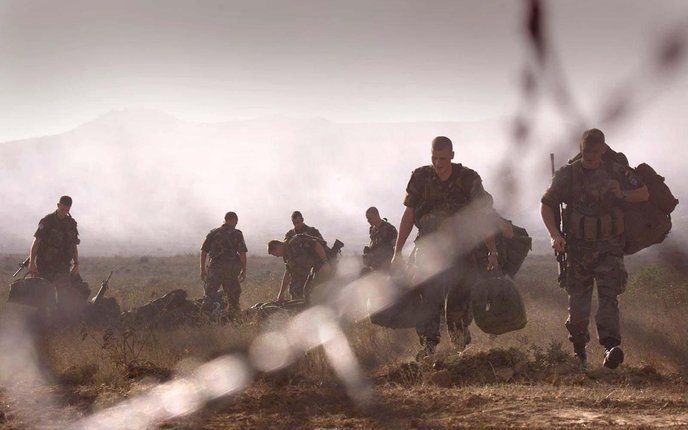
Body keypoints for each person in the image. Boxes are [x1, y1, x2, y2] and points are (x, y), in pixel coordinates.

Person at [541, 128, 649, 370]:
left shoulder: (616, 170)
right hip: (577, 249)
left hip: (609, 246)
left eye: (594, 151)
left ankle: (611, 347)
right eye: (585, 151)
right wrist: (554, 235)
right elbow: (547, 204)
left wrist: (621, 193)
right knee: (578, 304)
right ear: (581, 149)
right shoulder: (568, 174)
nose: (589, 156)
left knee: (609, 298)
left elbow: (643, 193)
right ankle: (580, 351)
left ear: (602, 149)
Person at [391, 136, 499, 360]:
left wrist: (492, 250)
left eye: (442, 158)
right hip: (428, 251)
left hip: (461, 252)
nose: (438, 163)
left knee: (458, 304)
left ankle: (461, 351)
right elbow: (409, 215)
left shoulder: (468, 179)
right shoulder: (421, 177)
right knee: (426, 298)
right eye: (434, 158)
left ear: (452, 155)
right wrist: (397, 251)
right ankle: (429, 348)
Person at [28, 195, 83, 317]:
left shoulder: (71, 224)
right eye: (62, 209)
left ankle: (59, 325)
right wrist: (32, 263)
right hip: (45, 266)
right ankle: (40, 325)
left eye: (67, 210)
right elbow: (36, 243)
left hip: (63, 267)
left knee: (64, 298)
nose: (64, 213)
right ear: (58, 206)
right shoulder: (47, 221)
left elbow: (74, 246)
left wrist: (76, 264)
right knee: (43, 297)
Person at [200, 212, 248, 315]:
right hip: (231, 270)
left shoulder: (213, 233)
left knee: (209, 296)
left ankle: (205, 320)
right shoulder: (236, 234)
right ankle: (234, 319)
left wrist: (202, 270)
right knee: (233, 298)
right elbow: (242, 253)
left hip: (214, 269)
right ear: (234, 220)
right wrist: (244, 270)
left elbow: (204, 252)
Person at [268, 234, 332, 302]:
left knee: (311, 290)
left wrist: (326, 263)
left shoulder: (295, 242)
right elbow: (288, 273)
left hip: (323, 264)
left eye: (276, 253)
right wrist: (281, 293)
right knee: (295, 289)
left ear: (278, 246)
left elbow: (317, 245)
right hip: (312, 269)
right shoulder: (286, 255)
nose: (277, 256)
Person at [362, 207, 398, 273]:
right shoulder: (372, 229)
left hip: (387, 267)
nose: (368, 221)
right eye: (367, 218)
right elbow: (374, 243)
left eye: (370, 218)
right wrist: (368, 251)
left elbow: (396, 248)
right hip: (375, 267)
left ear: (376, 215)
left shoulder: (389, 228)